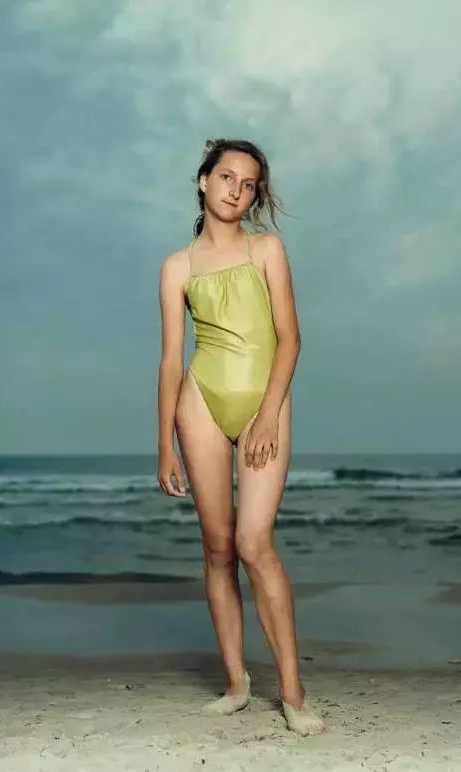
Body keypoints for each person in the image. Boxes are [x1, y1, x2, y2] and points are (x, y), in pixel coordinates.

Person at [157, 137, 326, 736]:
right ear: (204, 180)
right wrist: (164, 443)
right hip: (200, 401)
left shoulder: (266, 249)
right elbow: (171, 361)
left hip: (263, 402)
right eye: (226, 176)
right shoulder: (177, 267)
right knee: (217, 547)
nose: (235, 190)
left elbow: (290, 338)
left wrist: (267, 414)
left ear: (255, 196)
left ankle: (293, 692)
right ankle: (236, 683)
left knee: (254, 543)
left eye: (248, 183)